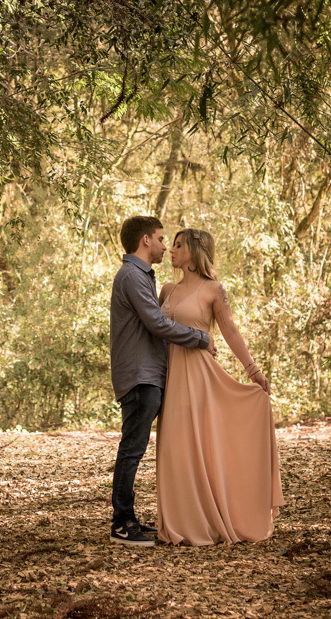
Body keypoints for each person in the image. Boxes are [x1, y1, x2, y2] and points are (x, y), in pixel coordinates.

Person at [156, 229, 284, 545]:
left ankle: (209, 522)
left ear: (194, 251)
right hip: (170, 378)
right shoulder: (167, 289)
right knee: (173, 450)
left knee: (198, 447)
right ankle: (181, 522)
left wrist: (253, 370)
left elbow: (230, 331)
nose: (171, 250)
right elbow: (154, 330)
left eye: (178, 245)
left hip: (200, 378)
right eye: (171, 244)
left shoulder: (214, 289)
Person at [109, 216, 214, 547]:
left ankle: (128, 518)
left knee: (135, 448)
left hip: (148, 373)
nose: (165, 246)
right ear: (145, 240)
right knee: (132, 449)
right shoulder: (132, 276)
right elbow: (156, 323)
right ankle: (122, 524)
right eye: (160, 238)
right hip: (139, 375)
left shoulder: (141, 276)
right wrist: (200, 338)